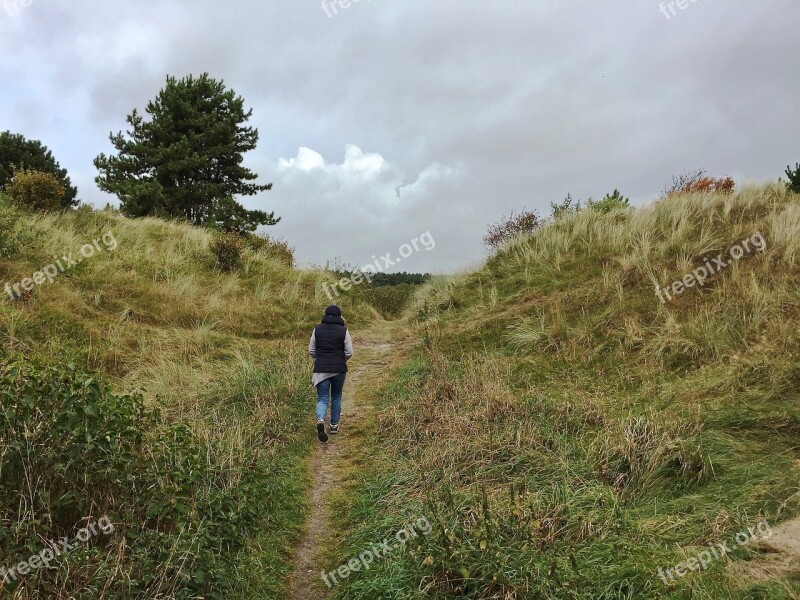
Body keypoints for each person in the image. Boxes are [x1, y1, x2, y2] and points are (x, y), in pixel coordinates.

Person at [308, 305, 353, 442]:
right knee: (336, 396)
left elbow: (311, 350)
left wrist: (320, 359)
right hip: (339, 369)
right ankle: (334, 425)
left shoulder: (317, 329)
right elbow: (349, 352)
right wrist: (341, 360)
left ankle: (321, 420)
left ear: (325, 315)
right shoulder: (343, 331)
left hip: (321, 368)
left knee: (322, 398)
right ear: (340, 316)